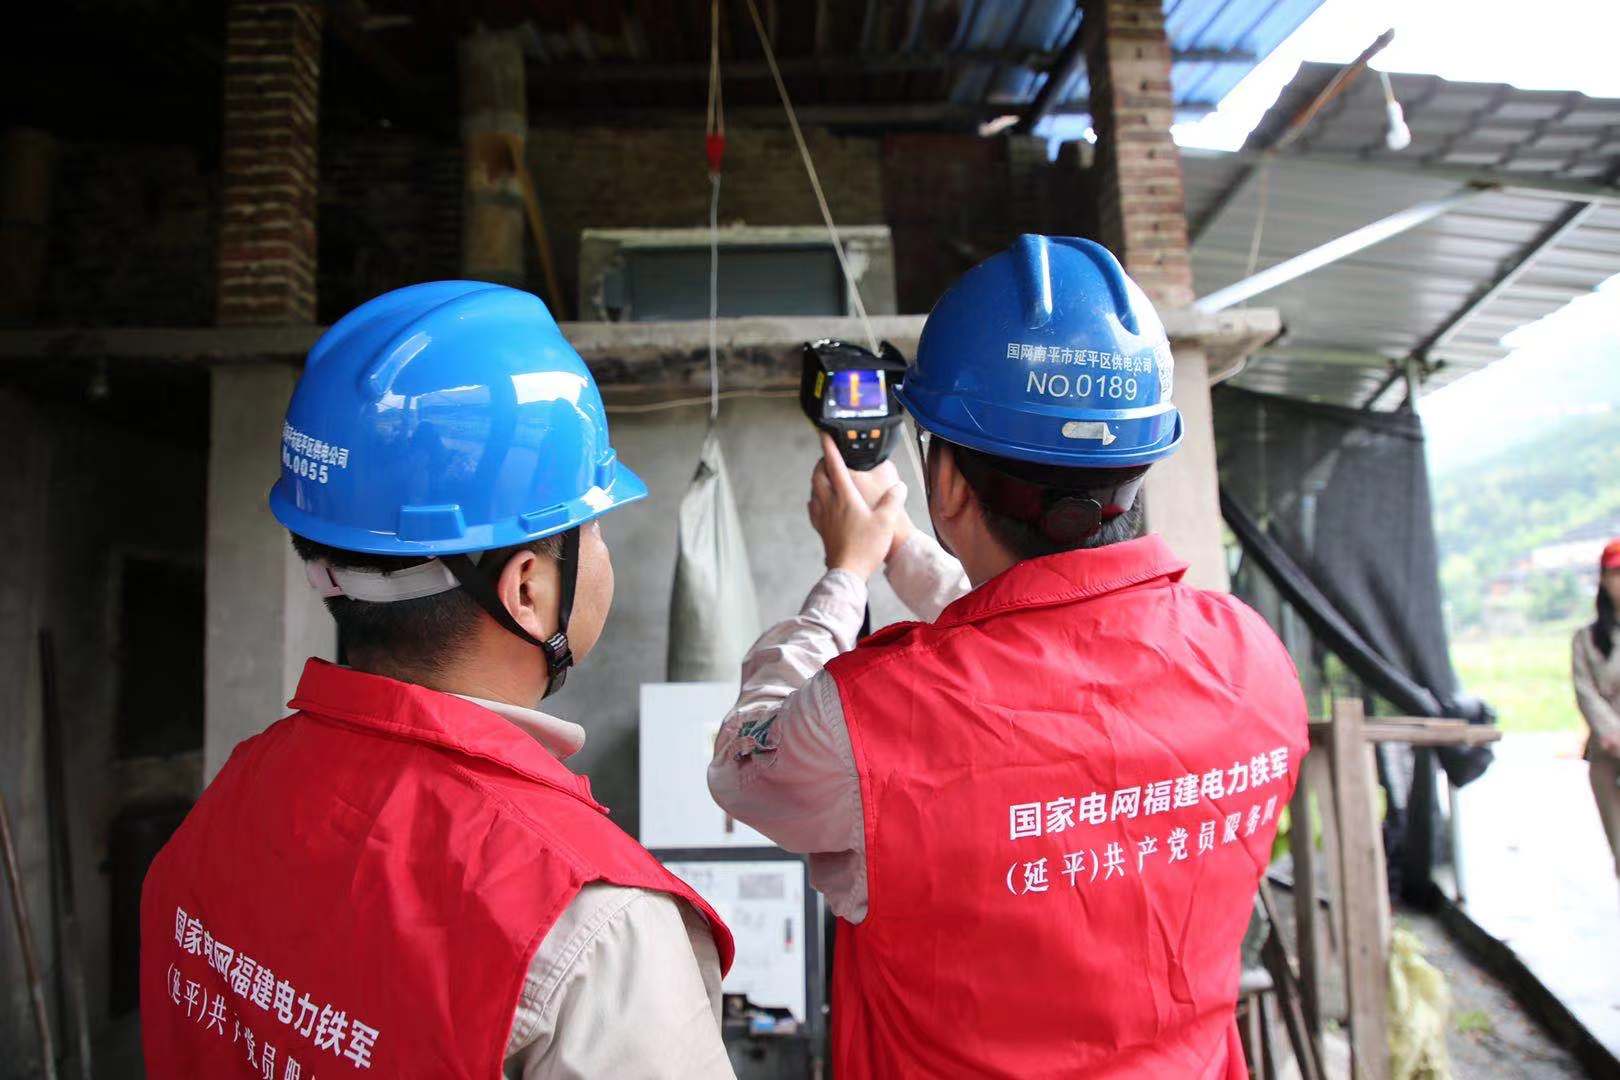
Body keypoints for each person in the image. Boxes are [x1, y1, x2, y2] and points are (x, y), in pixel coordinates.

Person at [709, 235, 1310, 1078]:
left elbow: (742, 767)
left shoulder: (873, 719)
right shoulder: (1253, 659)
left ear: (950, 483)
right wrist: (898, 546)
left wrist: (845, 575)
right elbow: (1050, 636)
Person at [141, 282, 736, 1079]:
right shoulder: (595, 931)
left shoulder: (233, 797)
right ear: (528, 588)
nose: (603, 555)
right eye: (592, 528)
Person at [1572, 539, 1620, 885]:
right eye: (1616, 573)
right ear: (1603, 579)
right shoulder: (1587, 639)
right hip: (1607, 752)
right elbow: (1585, 691)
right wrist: (1612, 733)